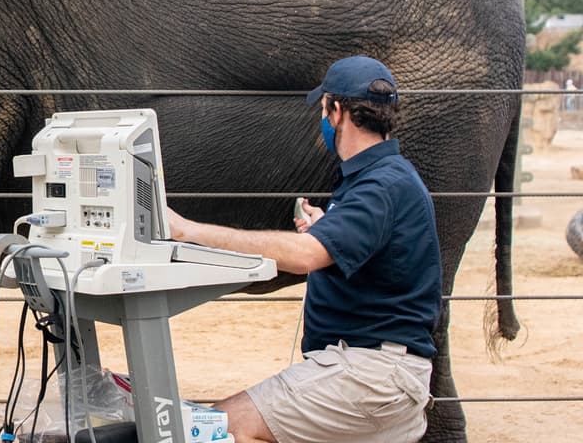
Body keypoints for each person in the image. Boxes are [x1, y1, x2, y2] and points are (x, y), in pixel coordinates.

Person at [165, 55, 440, 443]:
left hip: (370, 375)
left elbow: (305, 256)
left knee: (217, 428)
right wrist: (329, 228)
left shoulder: (381, 186)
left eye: (323, 108)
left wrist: (189, 230)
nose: (322, 119)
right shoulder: (383, 180)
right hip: (377, 371)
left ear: (337, 111)